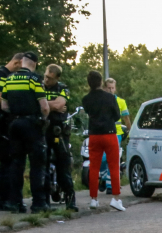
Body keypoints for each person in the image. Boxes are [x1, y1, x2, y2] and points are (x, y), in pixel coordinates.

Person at [1, 51, 51, 213]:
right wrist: (43, 118)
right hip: (32, 124)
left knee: (17, 164)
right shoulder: (34, 79)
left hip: (14, 124)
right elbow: (44, 106)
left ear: (22, 62)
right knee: (37, 164)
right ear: (35, 64)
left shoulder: (9, 79)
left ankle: (15, 202)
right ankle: (38, 203)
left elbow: (4, 106)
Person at [82, 70, 125, 211]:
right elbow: (117, 116)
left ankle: (93, 199)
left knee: (94, 167)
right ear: (101, 82)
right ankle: (116, 198)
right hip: (110, 133)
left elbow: (88, 112)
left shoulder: (86, 99)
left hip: (94, 135)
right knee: (114, 166)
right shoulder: (110, 97)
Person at [0, 53, 24, 211]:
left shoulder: (11, 76)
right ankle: (4, 199)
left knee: (13, 161)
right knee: (6, 161)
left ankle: (11, 197)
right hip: (3, 123)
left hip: (12, 123)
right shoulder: (0, 75)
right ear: (16, 63)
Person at [43, 64, 78, 211]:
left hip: (60, 132)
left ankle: (70, 202)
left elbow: (60, 104)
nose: (46, 80)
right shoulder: (39, 86)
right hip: (43, 130)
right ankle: (43, 202)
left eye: (50, 78)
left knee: (63, 166)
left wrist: (45, 104)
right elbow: (53, 106)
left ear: (57, 78)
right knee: (42, 166)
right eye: (45, 76)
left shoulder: (63, 88)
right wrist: (53, 106)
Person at [102, 77, 130, 194]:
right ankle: (103, 177)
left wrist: (130, 131)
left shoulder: (121, 102)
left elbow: (126, 118)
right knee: (103, 159)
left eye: (112, 88)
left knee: (112, 159)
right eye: (108, 88)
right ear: (104, 88)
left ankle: (109, 185)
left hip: (117, 132)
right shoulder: (101, 101)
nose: (111, 90)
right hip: (102, 132)